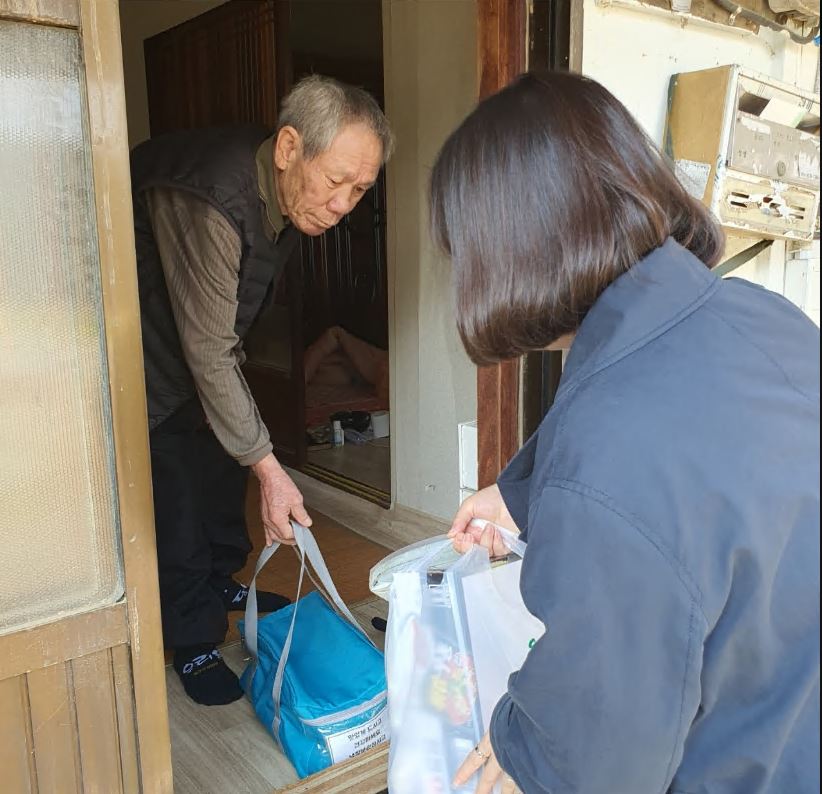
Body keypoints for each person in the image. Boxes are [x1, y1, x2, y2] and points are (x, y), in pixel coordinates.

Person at [430, 72, 819, 793]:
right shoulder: (763, 317)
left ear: (504, 250)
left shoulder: (608, 465)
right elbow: (678, 435)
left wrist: (516, 739)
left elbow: (595, 755)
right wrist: (518, 491)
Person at [130, 75, 394, 705]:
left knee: (225, 471)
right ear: (288, 148)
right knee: (174, 503)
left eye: (360, 190)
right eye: (336, 181)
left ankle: (224, 580)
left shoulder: (280, 198)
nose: (343, 206)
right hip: (140, 361)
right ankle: (193, 640)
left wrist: (251, 451)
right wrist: (272, 469)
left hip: (200, 356)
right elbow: (205, 349)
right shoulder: (210, 197)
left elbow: (221, 338)